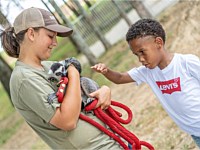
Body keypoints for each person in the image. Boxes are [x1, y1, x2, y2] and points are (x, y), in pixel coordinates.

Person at [0, 7, 123, 149]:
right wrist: (73, 72)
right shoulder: (24, 80)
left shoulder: (48, 66)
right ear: (32, 34)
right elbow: (67, 121)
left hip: (110, 139)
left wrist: (103, 90)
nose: (55, 43)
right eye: (50, 36)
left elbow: (81, 94)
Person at [91, 18, 200, 148]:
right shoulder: (148, 72)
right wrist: (106, 71)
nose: (141, 59)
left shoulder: (186, 63)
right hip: (194, 132)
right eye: (136, 55)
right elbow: (120, 78)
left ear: (158, 43)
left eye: (142, 52)